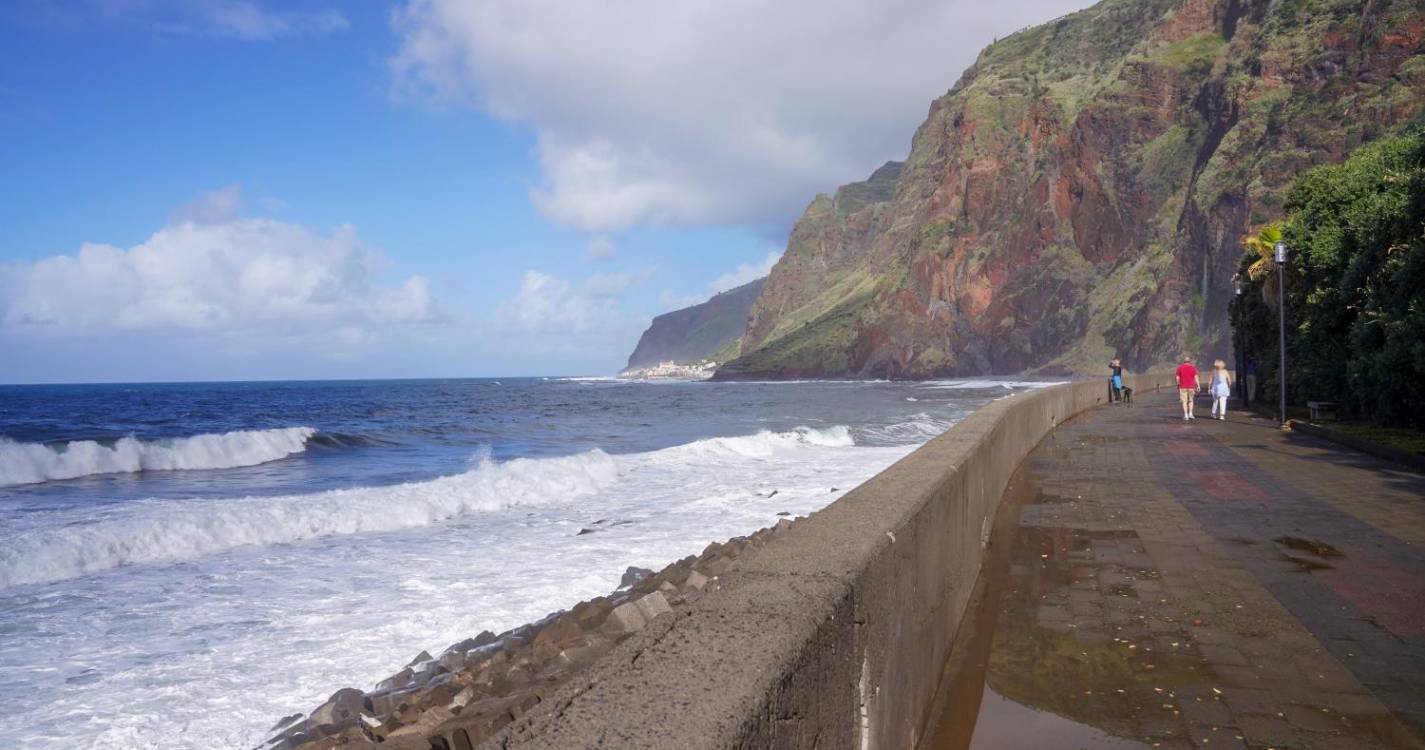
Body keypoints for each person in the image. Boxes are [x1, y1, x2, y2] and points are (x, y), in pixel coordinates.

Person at [1175, 356, 1200, 421]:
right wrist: (1198, 385)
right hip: (1191, 387)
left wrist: (1178, 384)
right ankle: (1190, 414)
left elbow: (1177, 377)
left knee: (1184, 401)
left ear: (1184, 361)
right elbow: (1196, 377)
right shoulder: (1193, 368)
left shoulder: (1179, 368)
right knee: (1191, 401)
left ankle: (1186, 415)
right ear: (1190, 361)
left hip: (1183, 387)